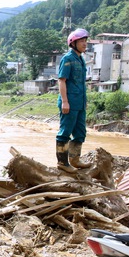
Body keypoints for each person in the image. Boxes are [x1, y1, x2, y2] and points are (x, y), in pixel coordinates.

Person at [56, 28, 92, 174]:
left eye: (85, 41)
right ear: (73, 43)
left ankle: (75, 159)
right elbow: (62, 81)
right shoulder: (68, 59)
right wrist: (65, 101)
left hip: (80, 103)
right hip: (69, 102)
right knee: (65, 132)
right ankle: (62, 162)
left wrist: (84, 101)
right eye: (81, 41)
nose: (84, 44)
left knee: (80, 132)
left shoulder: (81, 59)